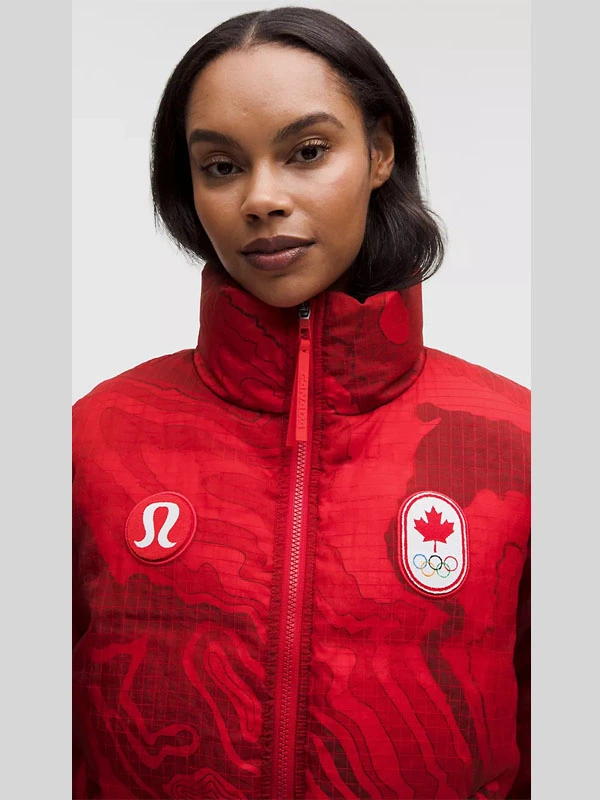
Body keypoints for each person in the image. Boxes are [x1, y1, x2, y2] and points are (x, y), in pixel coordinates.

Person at [72, 6, 530, 799]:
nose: (261, 198)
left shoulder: (519, 445)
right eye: (221, 166)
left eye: (307, 152)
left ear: (380, 152)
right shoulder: (93, 441)